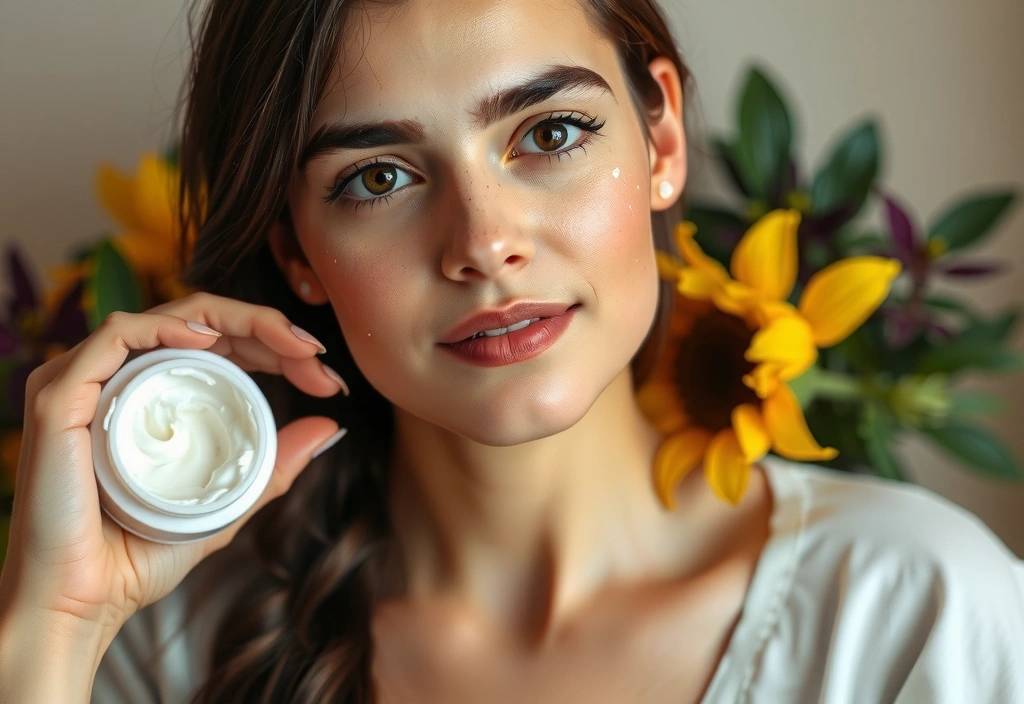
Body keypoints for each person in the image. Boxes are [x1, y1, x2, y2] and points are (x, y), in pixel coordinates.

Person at [0, 0, 1022, 701]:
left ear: (660, 142)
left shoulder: (912, 612)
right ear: (296, 253)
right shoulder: (166, 651)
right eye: (379, 178)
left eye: (551, 132)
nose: (485, 243)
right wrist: (54, 625)